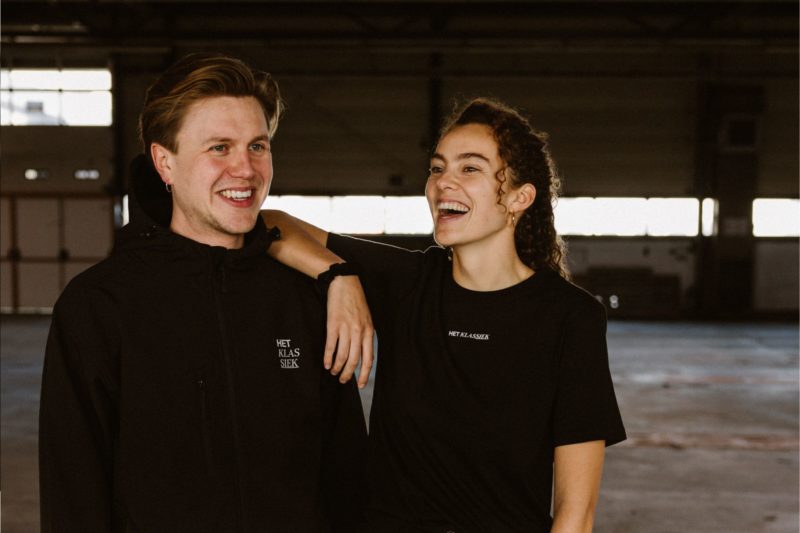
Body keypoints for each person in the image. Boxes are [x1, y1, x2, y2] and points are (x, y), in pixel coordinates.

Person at [39, 53, 372, 533]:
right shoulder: (98, 306)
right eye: (219, 148)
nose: (246, 169)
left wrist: (339, 275)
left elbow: (347, 477)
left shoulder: (306, 300)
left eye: (257, 146)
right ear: (165, 163)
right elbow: (74, 492)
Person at [263, 98, 627, 532]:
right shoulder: (409, 283)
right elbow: (269, 222)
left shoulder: (569, 317)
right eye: (437, 168)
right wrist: (337, 275)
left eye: (469, 168)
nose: (442, 183)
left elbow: (575, 513)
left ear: (520, 197)